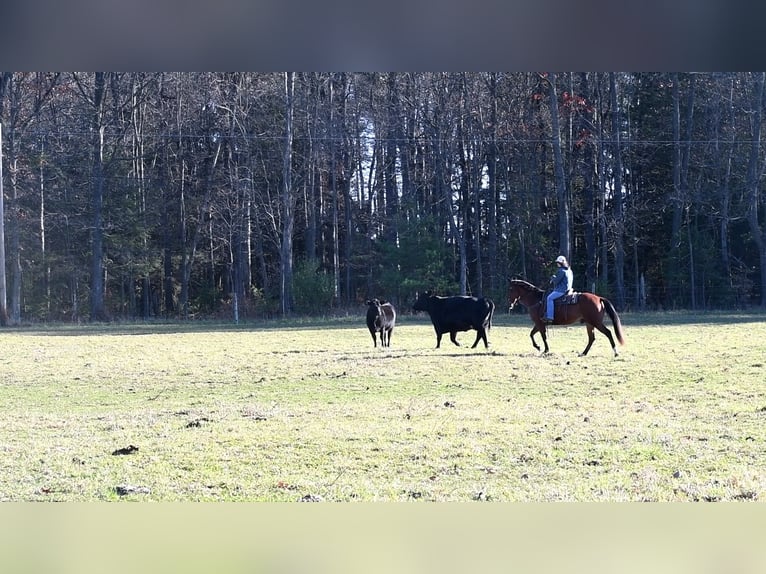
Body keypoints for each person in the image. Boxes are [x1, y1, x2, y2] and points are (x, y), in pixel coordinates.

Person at [545, 255, 573, 323]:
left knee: (549, 298)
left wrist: (552, 277)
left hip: (561, 290)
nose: (557, 264)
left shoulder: (561, 271)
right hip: (569, 289)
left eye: (558, 262)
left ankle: (550, 316)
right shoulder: (569, 270)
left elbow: (556, 281)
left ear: (561, 263)